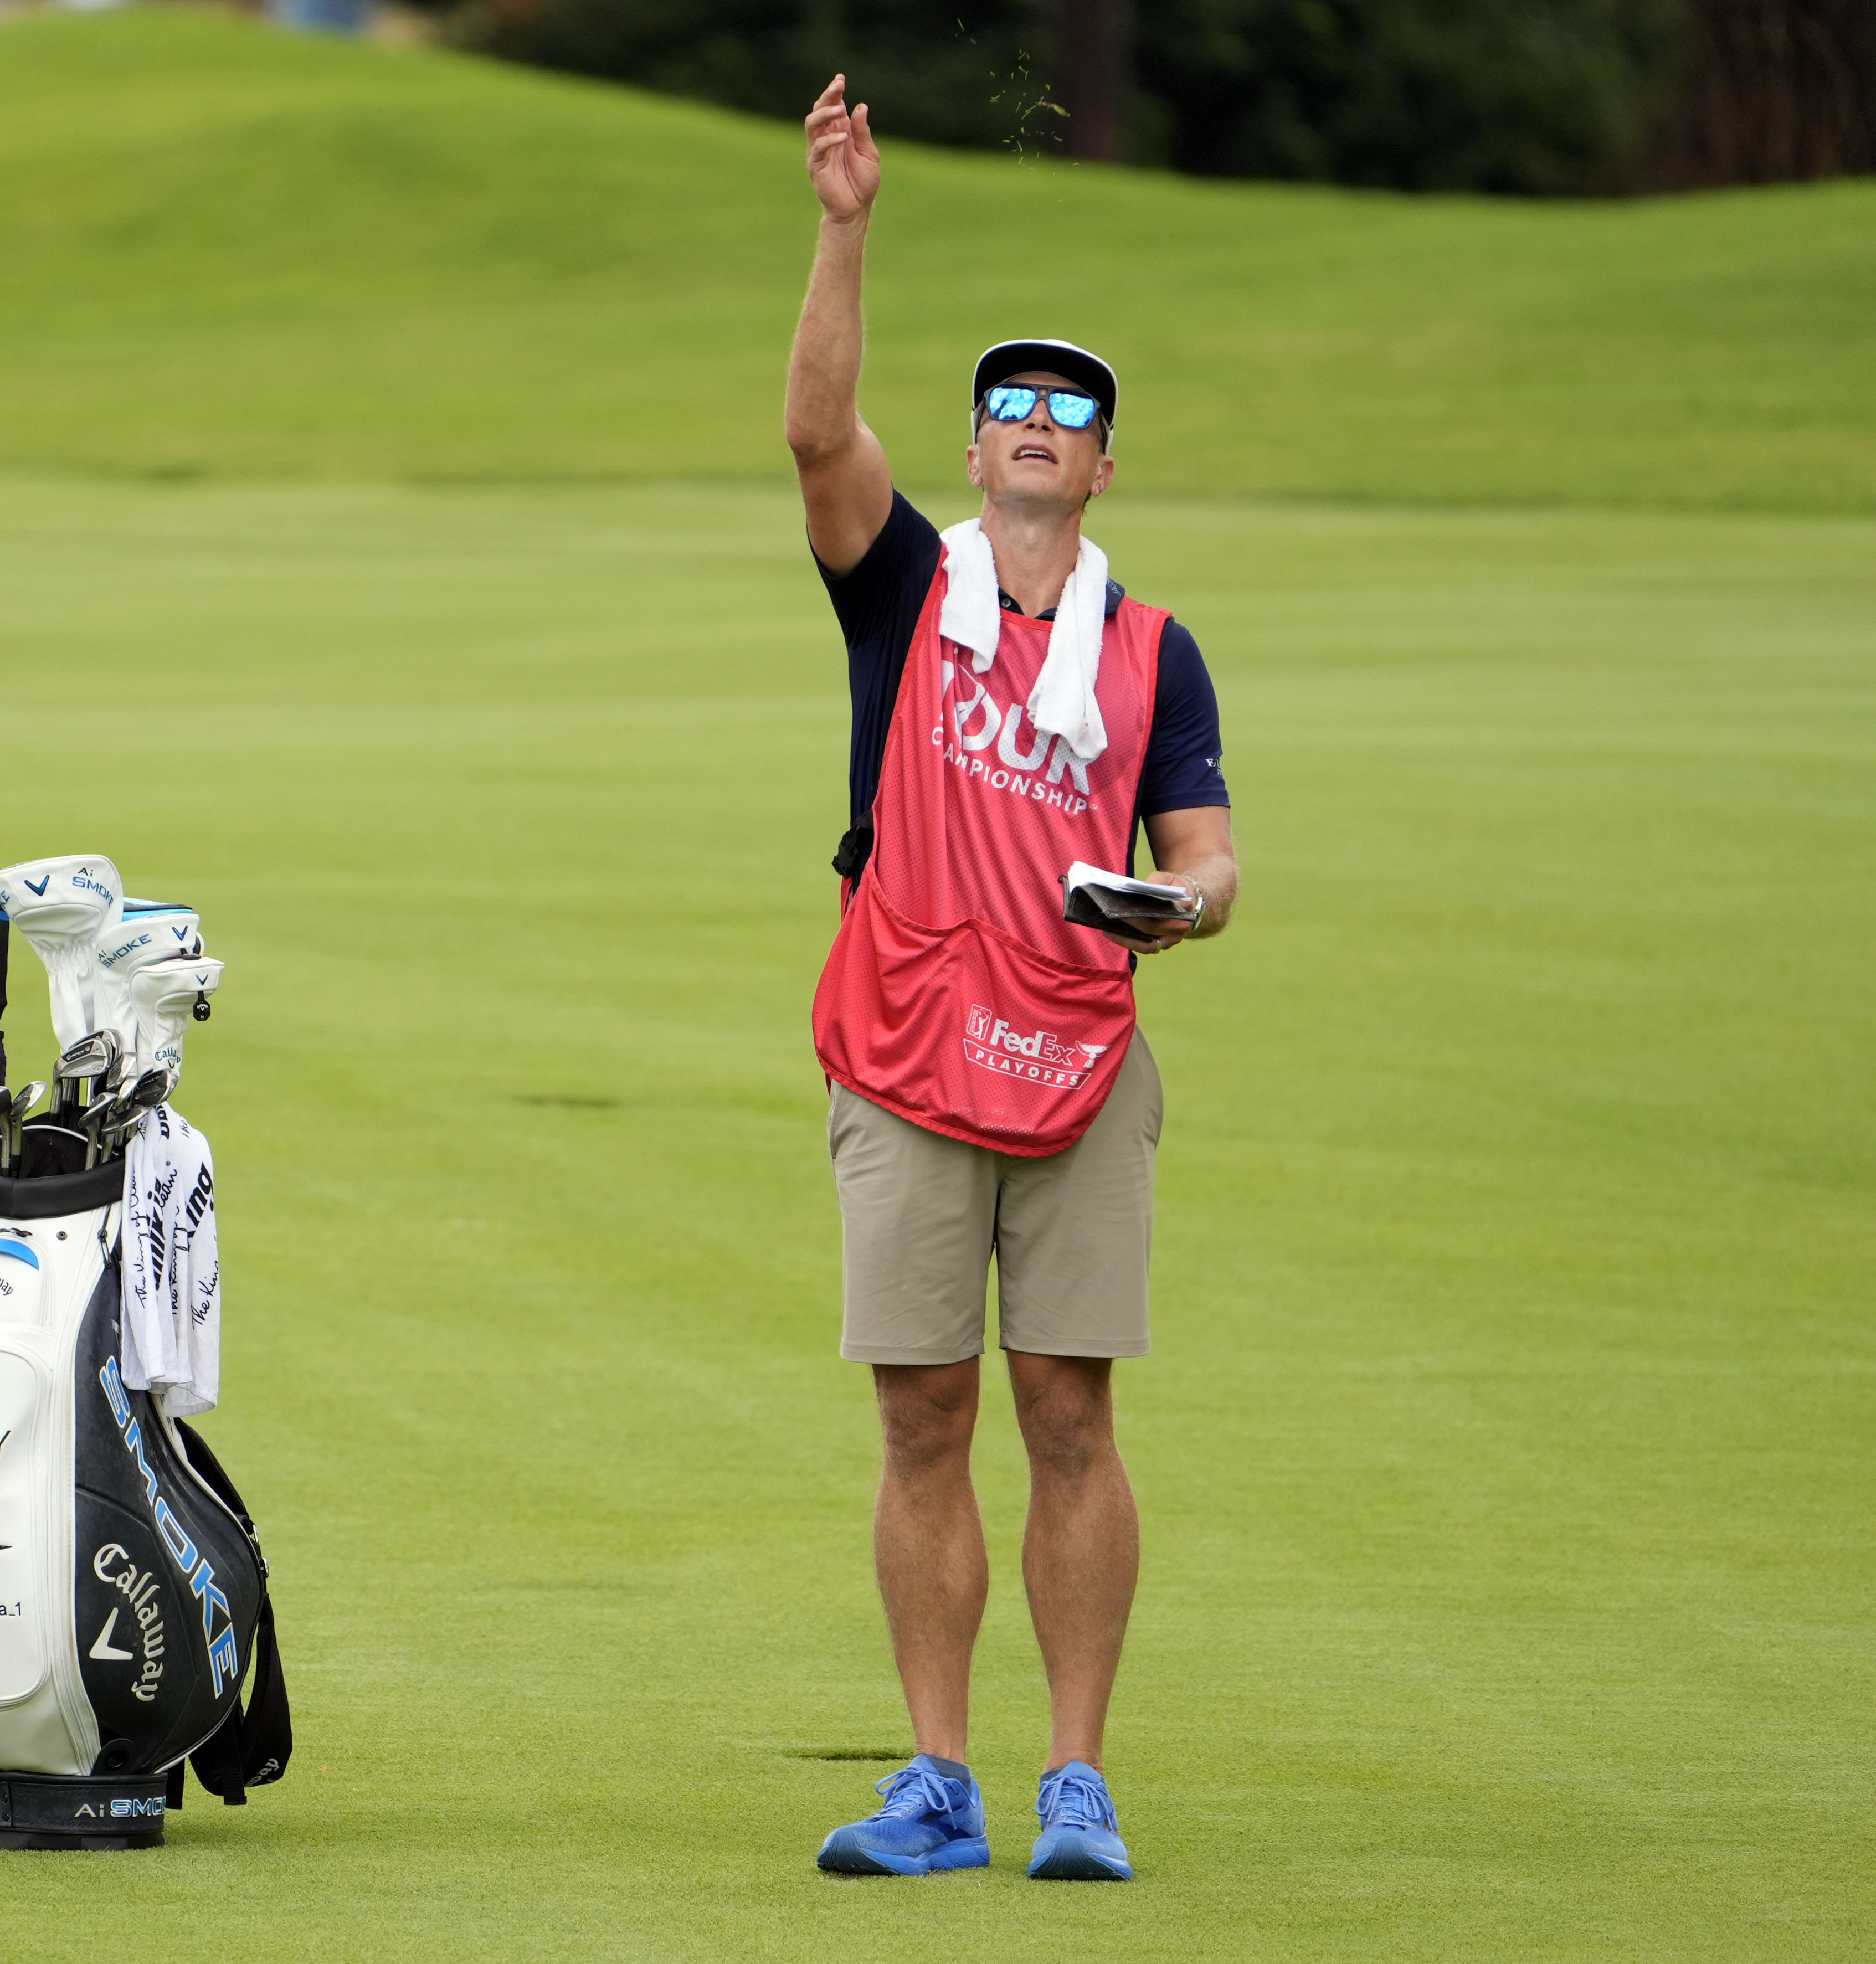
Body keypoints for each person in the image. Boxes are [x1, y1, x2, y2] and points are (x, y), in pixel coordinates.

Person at [786, 77, 1237, 1883]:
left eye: (1072, 411)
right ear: (973, 452)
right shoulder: (902, 588)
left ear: (1103, 464)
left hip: (1078, 1055)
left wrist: (1184, 908)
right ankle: (937, 1777)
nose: (1039, 427)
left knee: (1069, 1405)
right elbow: (820, 436)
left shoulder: (1153, 649)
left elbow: (1207, 845)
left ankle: (1076, 1781)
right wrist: (845, 227)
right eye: (1010, 406)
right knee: (922, 1411)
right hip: (902, 1048)